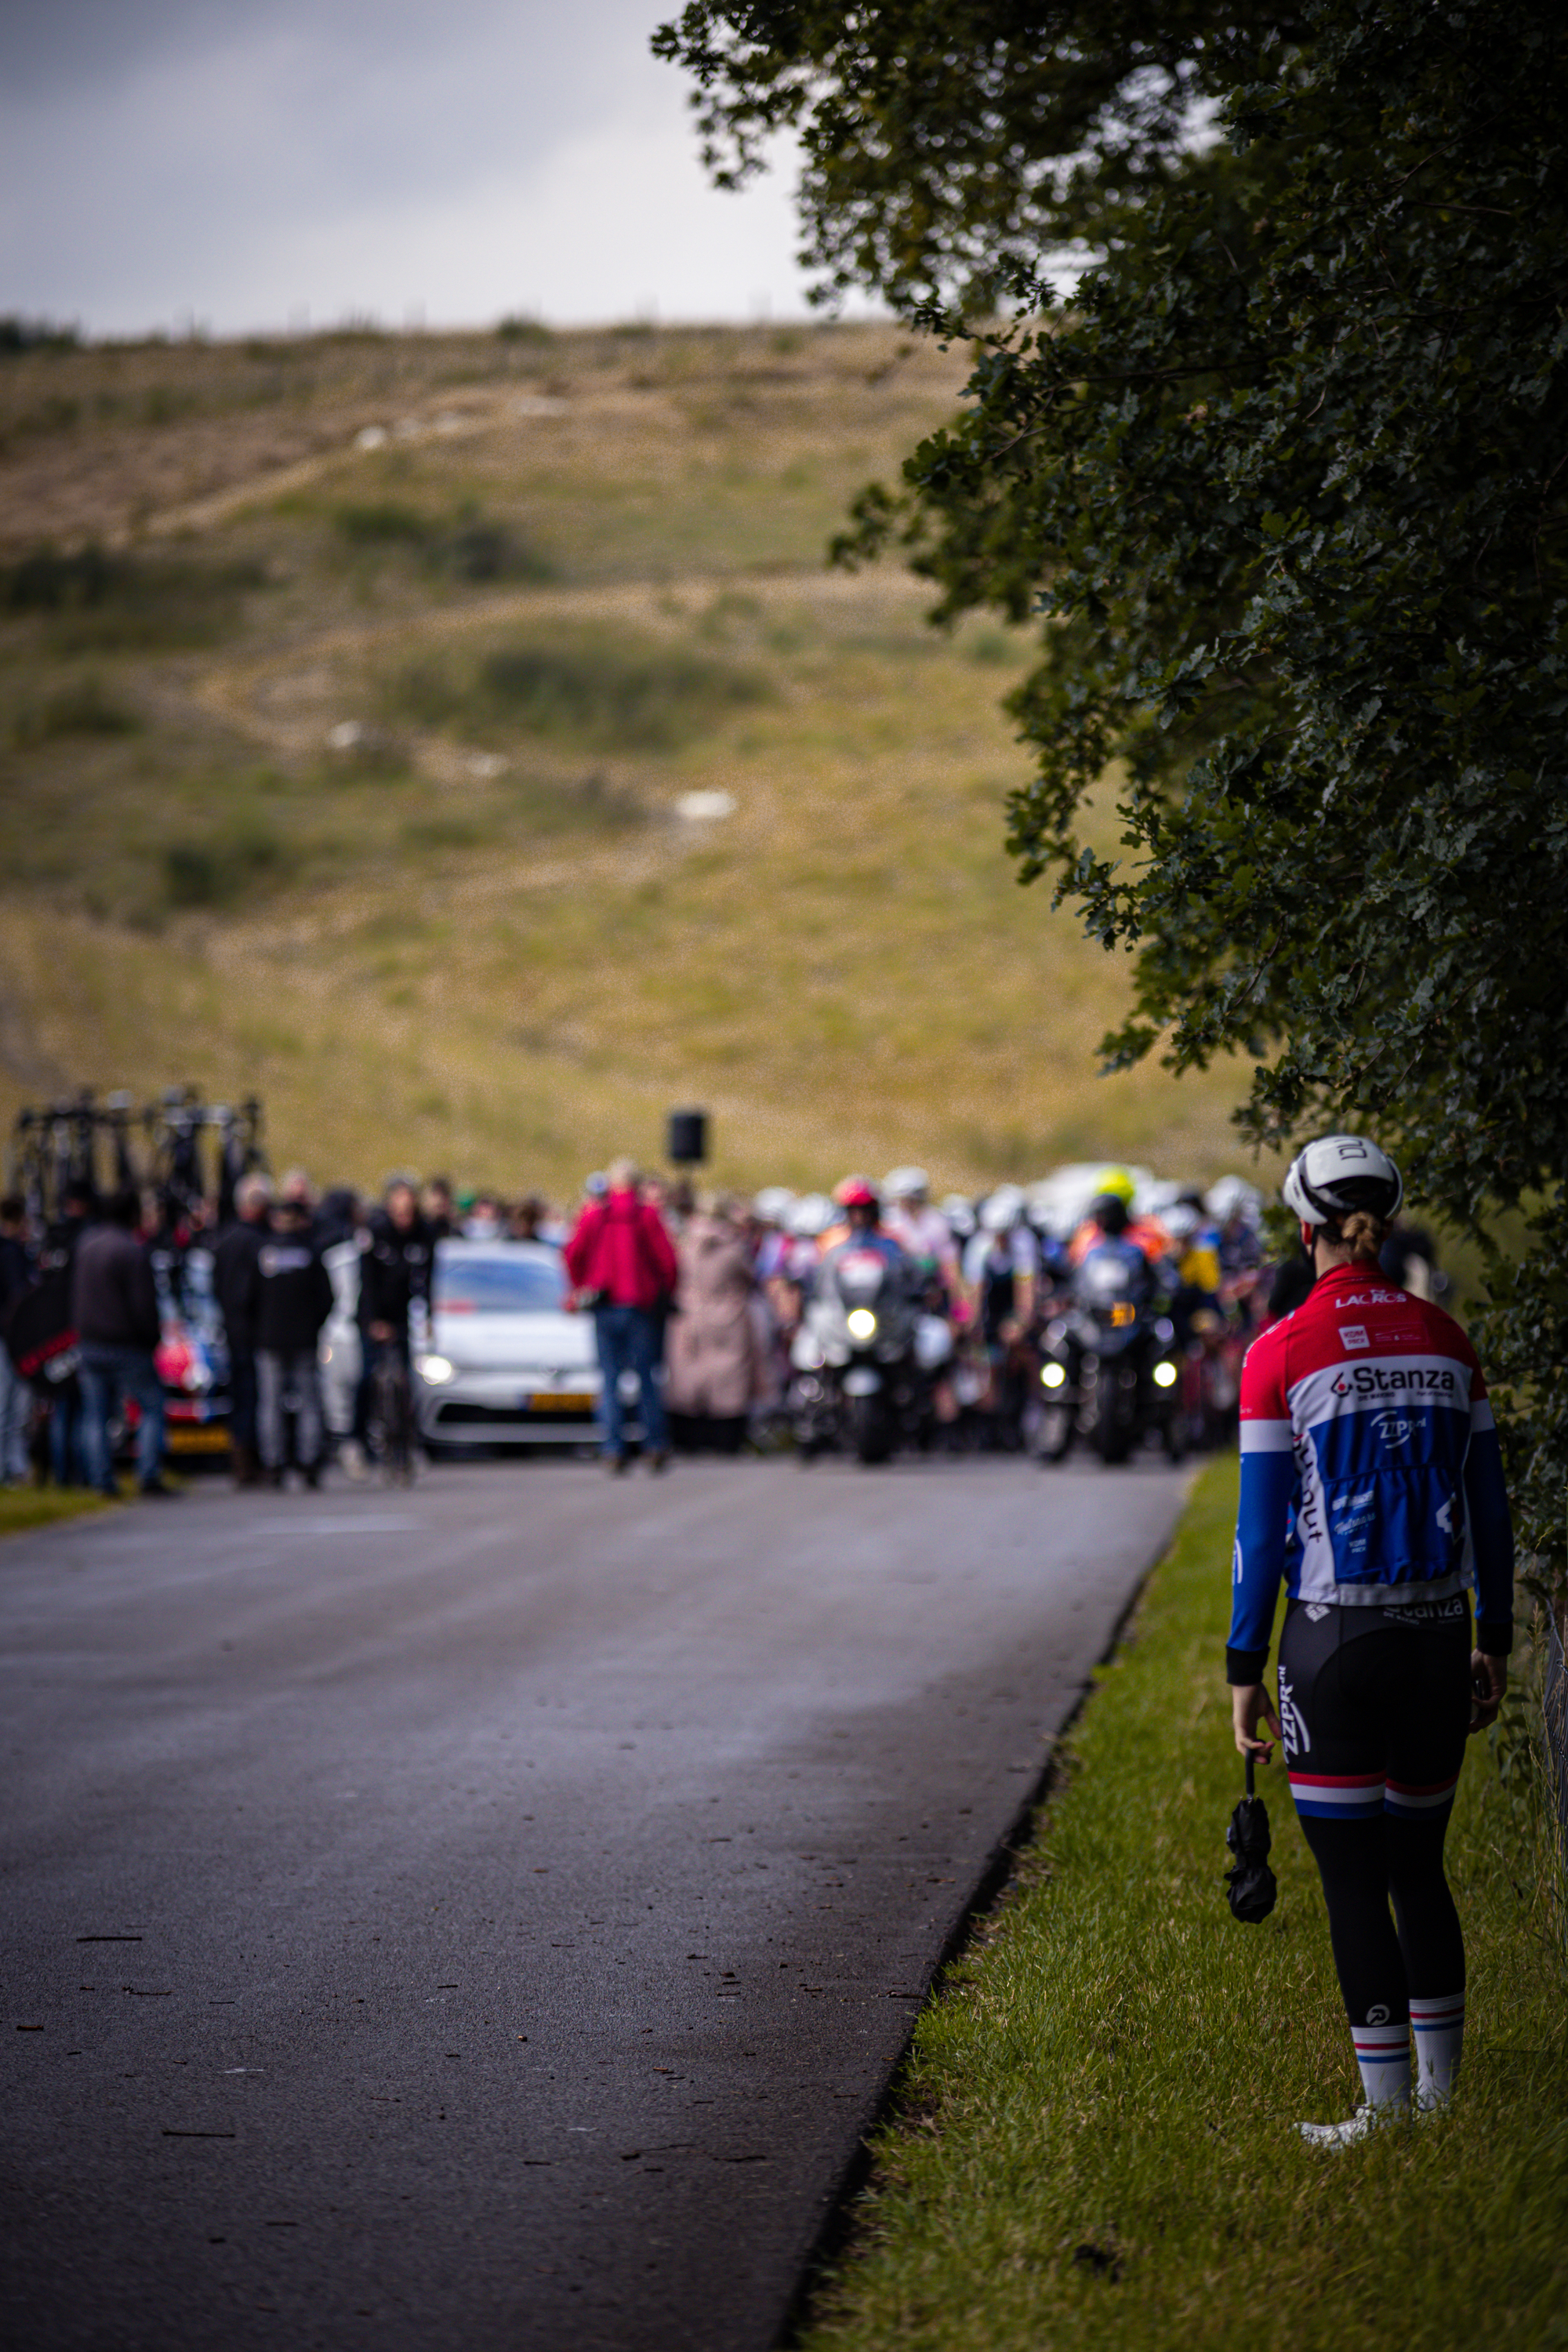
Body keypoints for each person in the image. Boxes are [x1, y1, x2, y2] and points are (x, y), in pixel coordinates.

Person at [1228, 1133, 1513, 2148]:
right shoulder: (1449, 1338)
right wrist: (1498, 1640)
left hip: (1329, 1646)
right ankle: (1443, 2103)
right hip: (1441, 1639)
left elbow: (1262, 1534)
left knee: (1353, 1883)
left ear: (1304, 1230)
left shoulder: (1279, 1351)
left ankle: (1385, 2117)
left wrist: (1240, 1670)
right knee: (1419, 1867)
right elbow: (1489, 1506)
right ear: (1383, 1225)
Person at [564, 1158, 677, 1473]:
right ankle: (654, 1445)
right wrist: (664, 1292)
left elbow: (574, 1253)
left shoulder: (595, 1215)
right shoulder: (647, 1215)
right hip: (640, 1306)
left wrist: (582, 1285)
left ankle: (613, 1448)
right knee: (647, 1378)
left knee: (610, 1379)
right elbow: (667, 1262)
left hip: (605, 1303)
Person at [72, 1188, 172, 1498]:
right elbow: (143, 1304)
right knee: (152, 1406)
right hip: (126, 1344)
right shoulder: (132, 1250)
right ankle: (149, 1473)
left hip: (90, 1342)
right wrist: (152, 1338)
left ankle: (101, 1479)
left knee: (95, 1415)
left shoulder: (87, 1245)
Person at [664, 1194, 764, 1454]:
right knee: (729, 1377)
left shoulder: (685, 1243)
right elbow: (748, 1275)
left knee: (688, 1376)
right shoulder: (733, 1245)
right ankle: (725, 1438)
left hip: (689, 1313)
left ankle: (689, 1437)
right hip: (727, 1314)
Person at [353, 1178, 433, 1471]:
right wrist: (374, 1322)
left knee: (409, 1379)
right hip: (373, 1313)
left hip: (402, 1313)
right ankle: (356, 1440)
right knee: (366, 1377)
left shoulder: (424, 1233)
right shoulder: (375, 1232)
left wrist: (429, 1317)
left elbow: (429, 1277)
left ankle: (412, 1440)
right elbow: (367, 1281)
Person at [255, 1197, 335, 1489]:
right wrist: (314, 1325)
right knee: (310, 1402)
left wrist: (257, 1329)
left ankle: (274, 1463)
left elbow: (247, 1298)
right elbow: (327, 1297)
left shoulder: (262, 1251)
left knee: (270, 1403)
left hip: (269, 1339)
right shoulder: (310, 1252)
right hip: (303, 1339)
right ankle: (309, 1461)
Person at [213, 1171, 272, 1488]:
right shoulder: (258, 1242)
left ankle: (241, 1460)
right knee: (254, 1396)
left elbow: (215, 1285)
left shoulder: (224, 1240)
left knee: (240, 1396)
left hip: (231, 1330)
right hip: (253, 1332)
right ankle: (251, 1462)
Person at [0, 1196, 34, 1483]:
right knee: (12, 1405)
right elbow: (19, 1295)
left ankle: (12, 1466)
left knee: (9, 1405)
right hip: (12, 1338)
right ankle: (12, 1466)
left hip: (8, 1337)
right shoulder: (12, 1252)